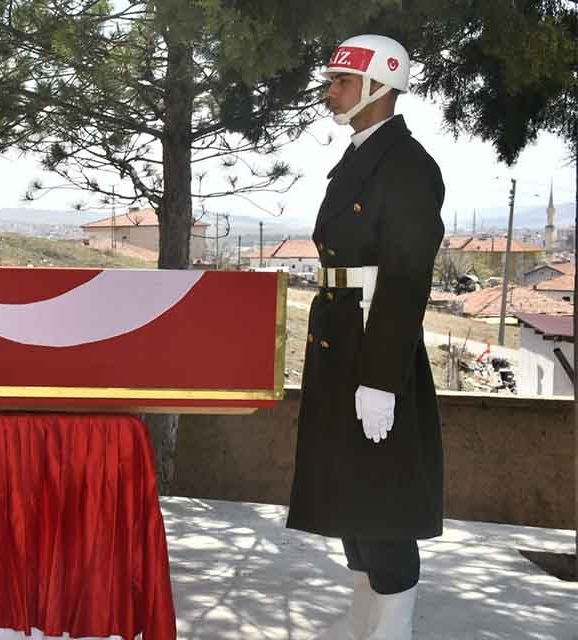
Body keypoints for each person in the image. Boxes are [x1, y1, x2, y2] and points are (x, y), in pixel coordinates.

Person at [286, 34, 445, 640]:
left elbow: (405, 280)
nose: (331, 91)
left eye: (342, 81)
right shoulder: (359, 158)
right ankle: (363, 624)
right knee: (350, 494)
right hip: (339, 337)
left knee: (383, 500)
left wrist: (381, 380)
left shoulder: (407, 166)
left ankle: (392, 631)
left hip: (375, 346)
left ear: (379, 86)